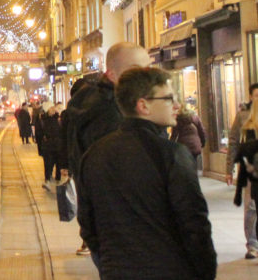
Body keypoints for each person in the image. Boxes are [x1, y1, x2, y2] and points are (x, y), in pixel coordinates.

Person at [77, 66, 216, 279]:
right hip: (170, 271)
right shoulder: (172, 155)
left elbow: (88, 226)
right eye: (169, 98)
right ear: (143, 106)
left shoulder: (94, 155)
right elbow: (195, 225)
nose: (177, 105)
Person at [65, 41, 151, 256]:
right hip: (121, 229)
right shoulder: (110, 113)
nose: (144, 76)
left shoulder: (97, 103)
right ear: (112, 75)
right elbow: (114, 174)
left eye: (147, 68)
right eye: (134, 70)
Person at [227, 82, 258, 258]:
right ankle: (252, 245)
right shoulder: (243, 116)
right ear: (251, 97)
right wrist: (229, 168)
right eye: (256, 95)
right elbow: (233, 142)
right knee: (252, 206)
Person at [36, 103, 65, 190]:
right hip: (50, 146)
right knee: (50, 164)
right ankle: (49, 181)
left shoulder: (57, 119)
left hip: (54, 145)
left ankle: (54, 181)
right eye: (51, 108)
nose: (54, 109)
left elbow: (62, 132)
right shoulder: (43, 120)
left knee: (55, 164)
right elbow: (38, 135)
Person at [171, 106, 206, 172]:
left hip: (183, 145)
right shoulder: (196, 118)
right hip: (195, 145)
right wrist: (203, 143)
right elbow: (202, 132)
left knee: (184, 164)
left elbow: (174, 135)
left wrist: (171, 147)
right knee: (194, 162)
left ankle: (187, 176)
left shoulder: (178, 119)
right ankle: (194, 176)